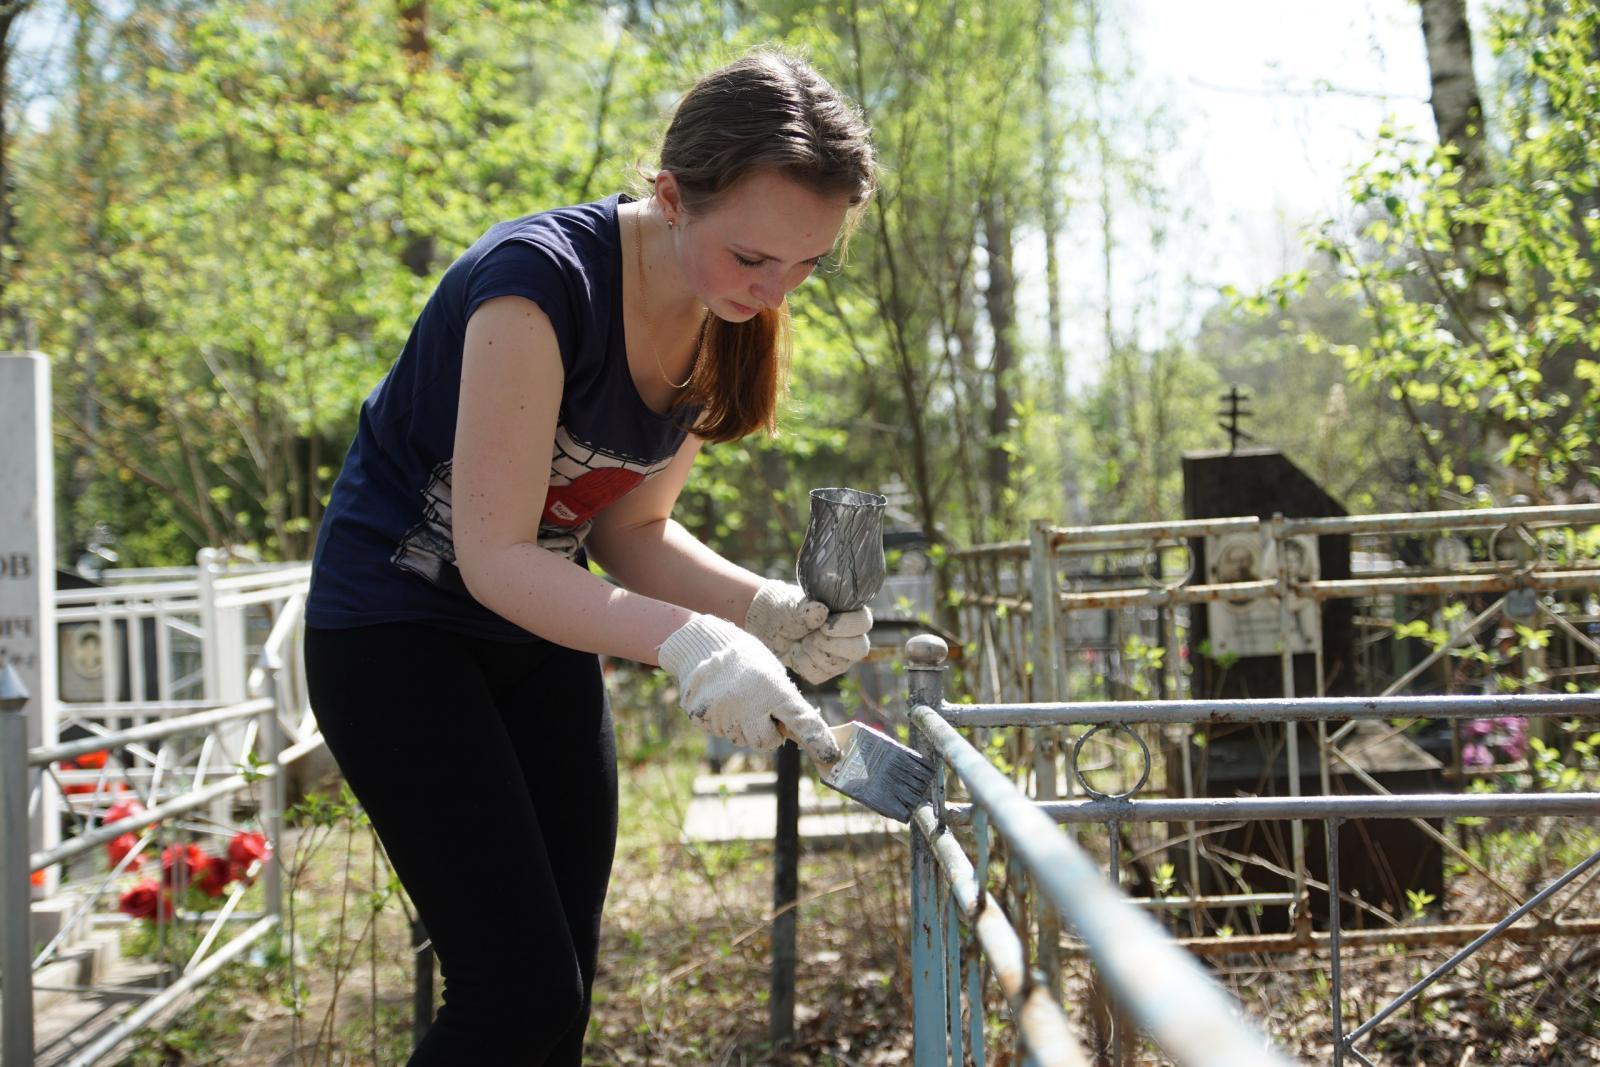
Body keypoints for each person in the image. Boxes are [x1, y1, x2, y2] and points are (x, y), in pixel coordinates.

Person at [301, 49, 877, 1065]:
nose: (776, 288)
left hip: (538, 632)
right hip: (396, 634)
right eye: (754, 257)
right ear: (669, 193)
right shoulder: (535, 285)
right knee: (514, 992)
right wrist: (689, 642)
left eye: (807, 265)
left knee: (559, 989)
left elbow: (628, 531)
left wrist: (763, 610)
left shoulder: (725, 313)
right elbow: (493, 553)